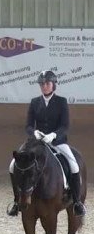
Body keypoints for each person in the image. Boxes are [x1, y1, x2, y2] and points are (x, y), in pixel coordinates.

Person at [7, 69, 86, 217]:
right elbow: (29, 125)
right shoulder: (35, 102)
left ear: (53, 85)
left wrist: (53, 135)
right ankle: (17, 201)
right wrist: (34, 133)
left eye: (47, 83)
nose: (44, 86)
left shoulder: (61, 102)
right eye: (42, 84)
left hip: (57, 142)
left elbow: (65, 126)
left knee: (74, 166)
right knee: (12, 166)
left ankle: (76, 202)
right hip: (37, 143)